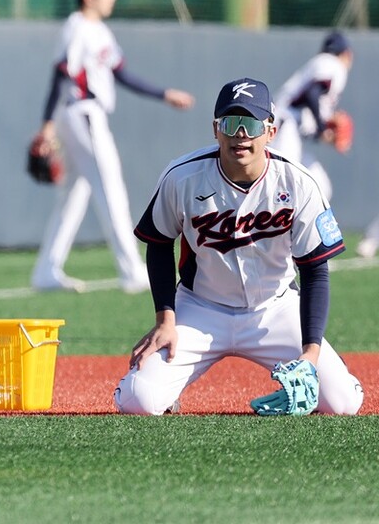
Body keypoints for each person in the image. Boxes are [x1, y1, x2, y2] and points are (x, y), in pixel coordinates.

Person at [114, 77, 364, 416]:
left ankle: (332, 375)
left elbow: (315, 270)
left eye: (250, 124)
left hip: (275, 309)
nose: (240, 134)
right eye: (231, 123)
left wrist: (310, 353)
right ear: (215, 130)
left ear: (270, 132)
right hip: (200, 309)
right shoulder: (182, 176)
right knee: (137, 401)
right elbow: (158, 242)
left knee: (343, 404)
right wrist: (165, 319)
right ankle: (166, 392)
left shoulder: (298, 183)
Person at [30, 0, 195, 294]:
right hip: (82, 113)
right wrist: (47, 124)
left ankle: (46, 271)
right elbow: (61, 75)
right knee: (110, 188)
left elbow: (122, 74)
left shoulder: (99, 31)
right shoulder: (76, 28)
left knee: (74, 196)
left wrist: (164, 94)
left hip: (82, 113)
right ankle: (131, 270)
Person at [268, 30, 354, 202]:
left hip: (288, 128)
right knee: (282, 185)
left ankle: (305, 228)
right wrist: (323, 129)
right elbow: (312, 94)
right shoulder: (333, 64)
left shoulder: (321, 63)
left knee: (319, 186)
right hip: (285, 127)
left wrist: (324, 132)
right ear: (346, 54)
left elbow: (308, 104)